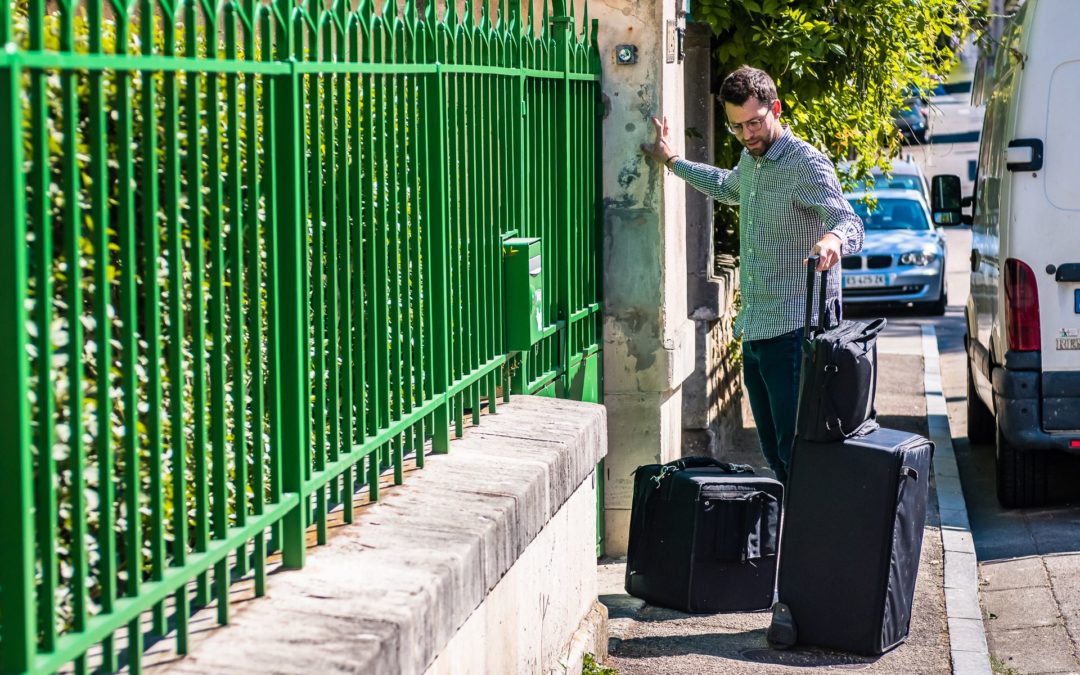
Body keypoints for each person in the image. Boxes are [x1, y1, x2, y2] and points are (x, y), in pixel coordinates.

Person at [641, 65, 863, 484]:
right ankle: (791, 539)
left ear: (775, 109)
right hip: (757, 328)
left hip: (796, 331)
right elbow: (728, 187)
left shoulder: (805, 164)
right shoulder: (751, 159)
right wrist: (672, 161)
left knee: (797, 453)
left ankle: (808, 542)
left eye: (755, 123)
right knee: (774, 455)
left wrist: (834, 239)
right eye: (737, 127)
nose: (747, 135)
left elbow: (849, 220)